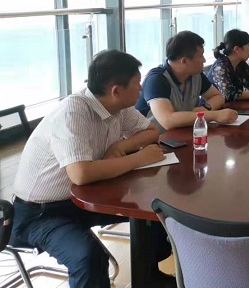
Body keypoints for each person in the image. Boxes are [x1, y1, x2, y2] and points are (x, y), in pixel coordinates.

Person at [11, 50, 174, 288]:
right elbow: (81, 173)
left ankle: (149, 277)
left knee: (153, 212)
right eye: (137, 83)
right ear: (116, 90)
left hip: (86, 196)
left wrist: (121, 146)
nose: (141, 89)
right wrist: (138, 158)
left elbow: (150, 132)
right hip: (41, 213)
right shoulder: (73, 112)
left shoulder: (118, 106)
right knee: (88, 257)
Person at [136, 31, 237, 130]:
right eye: (201, 56)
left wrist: (205, 108)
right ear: (184, 61)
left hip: (181, 133)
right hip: (154, 138)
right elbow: (168, 120)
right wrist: (214, 115)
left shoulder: (195, 75)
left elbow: (218, 96)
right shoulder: (156, 80)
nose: (204, 60)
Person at [208, 29, 249, 101]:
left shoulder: (240, 63)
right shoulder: (220, 67)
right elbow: (229, 94)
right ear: (236, 49)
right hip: (215, 107)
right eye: (248, 45)